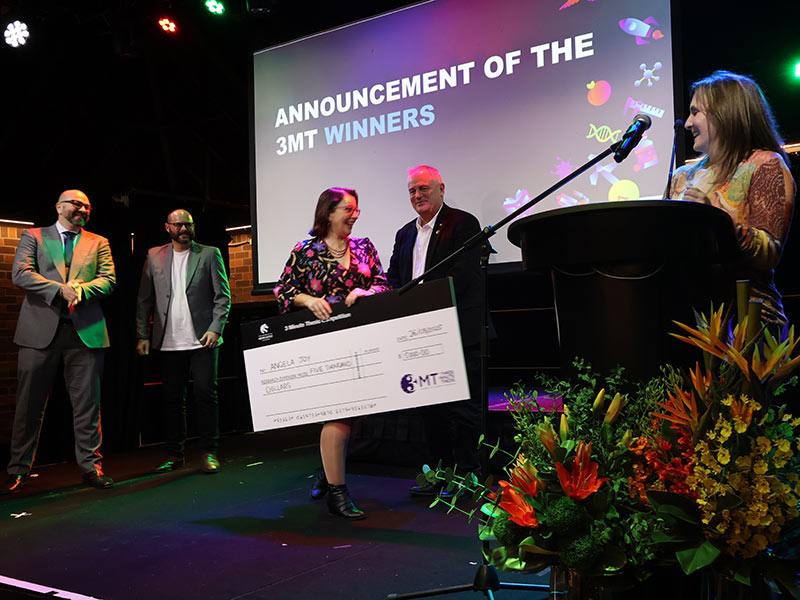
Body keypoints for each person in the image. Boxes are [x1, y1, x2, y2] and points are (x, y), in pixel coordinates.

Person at [274, 187, 390, 519]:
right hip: (325, 343)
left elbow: (384, 283)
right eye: (348, 209)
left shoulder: (364, 246)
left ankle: (328, 472)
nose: (355, 215)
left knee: (357, 414)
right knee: (338, 414)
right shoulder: (305, 250)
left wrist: (366, 292)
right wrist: (309, 300)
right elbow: (284, 290)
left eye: (356, 210)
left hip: (362, 340)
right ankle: (338, 495)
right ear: (328, 212)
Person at [2, 190, 116, 494]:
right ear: (59, 206)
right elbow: (21, 273)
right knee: (28, 405)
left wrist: (82, 289)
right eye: (76, 204)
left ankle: (91, 468)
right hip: (38, 333)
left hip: (85, 333)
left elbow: (108, 280)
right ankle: (18, 470)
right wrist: (59, 290)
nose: (83, 209)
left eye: (87, 206)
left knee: (88, 406)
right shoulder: (34, 236)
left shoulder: (98, 241)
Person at [670, 70, 795, 329]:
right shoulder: (682, 176)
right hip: (688, 318)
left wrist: (713, 219)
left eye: (695, 112)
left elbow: (769, 253)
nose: (688, 123)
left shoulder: (765, 164)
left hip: (749, 323)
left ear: (724, 113)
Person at [386, 165, 484, 497]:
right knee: (430, 408)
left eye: (424, 188)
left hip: (458, 330)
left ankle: (469, 476)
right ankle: (441, 473)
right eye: (412, 190)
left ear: (441, 189)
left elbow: (464, 276)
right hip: (420, 334)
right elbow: (395, 277)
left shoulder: (463, 223)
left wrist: (424, 301)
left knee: (464, 407)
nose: (418, 195)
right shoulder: (404, 233)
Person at [135, 209, 231, 474]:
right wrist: (142, 334)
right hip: (169, 341)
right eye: (178, 225)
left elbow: (223, 296)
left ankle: (209, 452)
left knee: (205, 395)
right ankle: (174, 454)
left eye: (188, 224)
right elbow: (144, 298)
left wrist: (215, 328)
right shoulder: (154, 255)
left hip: (203, 340)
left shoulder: (209, 254)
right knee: (172, 399)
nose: (184, 229)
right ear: (168, 227)